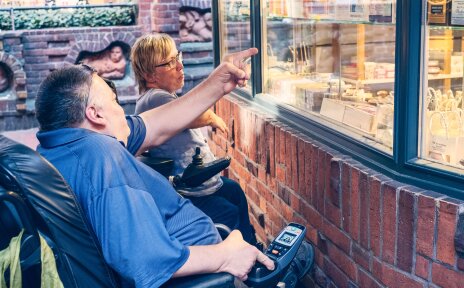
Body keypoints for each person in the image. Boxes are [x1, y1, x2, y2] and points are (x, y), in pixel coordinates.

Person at [34, 47, 275, 287]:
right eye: (114, 102)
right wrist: (226, 255)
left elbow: (155, 124)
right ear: (95, 115)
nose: (121, 110)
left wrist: (219, 82)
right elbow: (148, 263)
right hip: (204, 278)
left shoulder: (60, 147)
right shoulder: (102, 158)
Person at [132, 33, 257, 245]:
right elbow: (196, 113)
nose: (180, 66)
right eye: (170, 62)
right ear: (149, 75)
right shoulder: (154, 98)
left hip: (197, 186)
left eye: (178, 57)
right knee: (229, 213)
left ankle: (254, 248)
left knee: (234, 191)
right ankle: (245, 260)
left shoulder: (159, 98)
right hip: (189, 192)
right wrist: (212, 117)